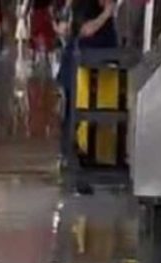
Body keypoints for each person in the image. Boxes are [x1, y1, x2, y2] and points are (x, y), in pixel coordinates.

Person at [57, 0, 117, 158]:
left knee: (92, 105)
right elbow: (83, 28)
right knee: (72, 106)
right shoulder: (82, 6)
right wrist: (105, 14)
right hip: (80, 57)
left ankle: (89, 151)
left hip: (97, 58)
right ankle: (71, 152)